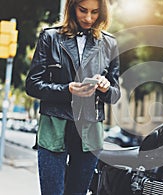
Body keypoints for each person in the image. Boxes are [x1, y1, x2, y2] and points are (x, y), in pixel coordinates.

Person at [25, 0, 120, 194]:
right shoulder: (49, 37)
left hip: (89, 129)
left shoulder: (110, 43)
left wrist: (105, 88)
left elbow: (115, 95)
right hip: (54, 125)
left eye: (94, 12)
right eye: (82, 10)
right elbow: (32, 85)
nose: (88, 18)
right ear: (71, 7)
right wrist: (66, 90)